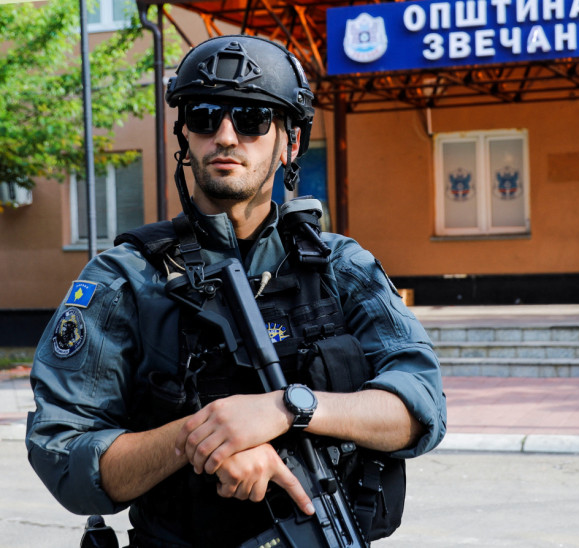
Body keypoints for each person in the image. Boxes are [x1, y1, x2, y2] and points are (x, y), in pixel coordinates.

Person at [26, 34, 446, 547]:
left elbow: (422, 406)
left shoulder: (340, 266)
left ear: (290, 142)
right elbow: (63, 454)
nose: (226, 135)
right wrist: (200, 436)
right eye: (205, 116)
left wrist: (287, 408)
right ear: (186, 135)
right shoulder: (124, 279)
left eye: (251, 120)